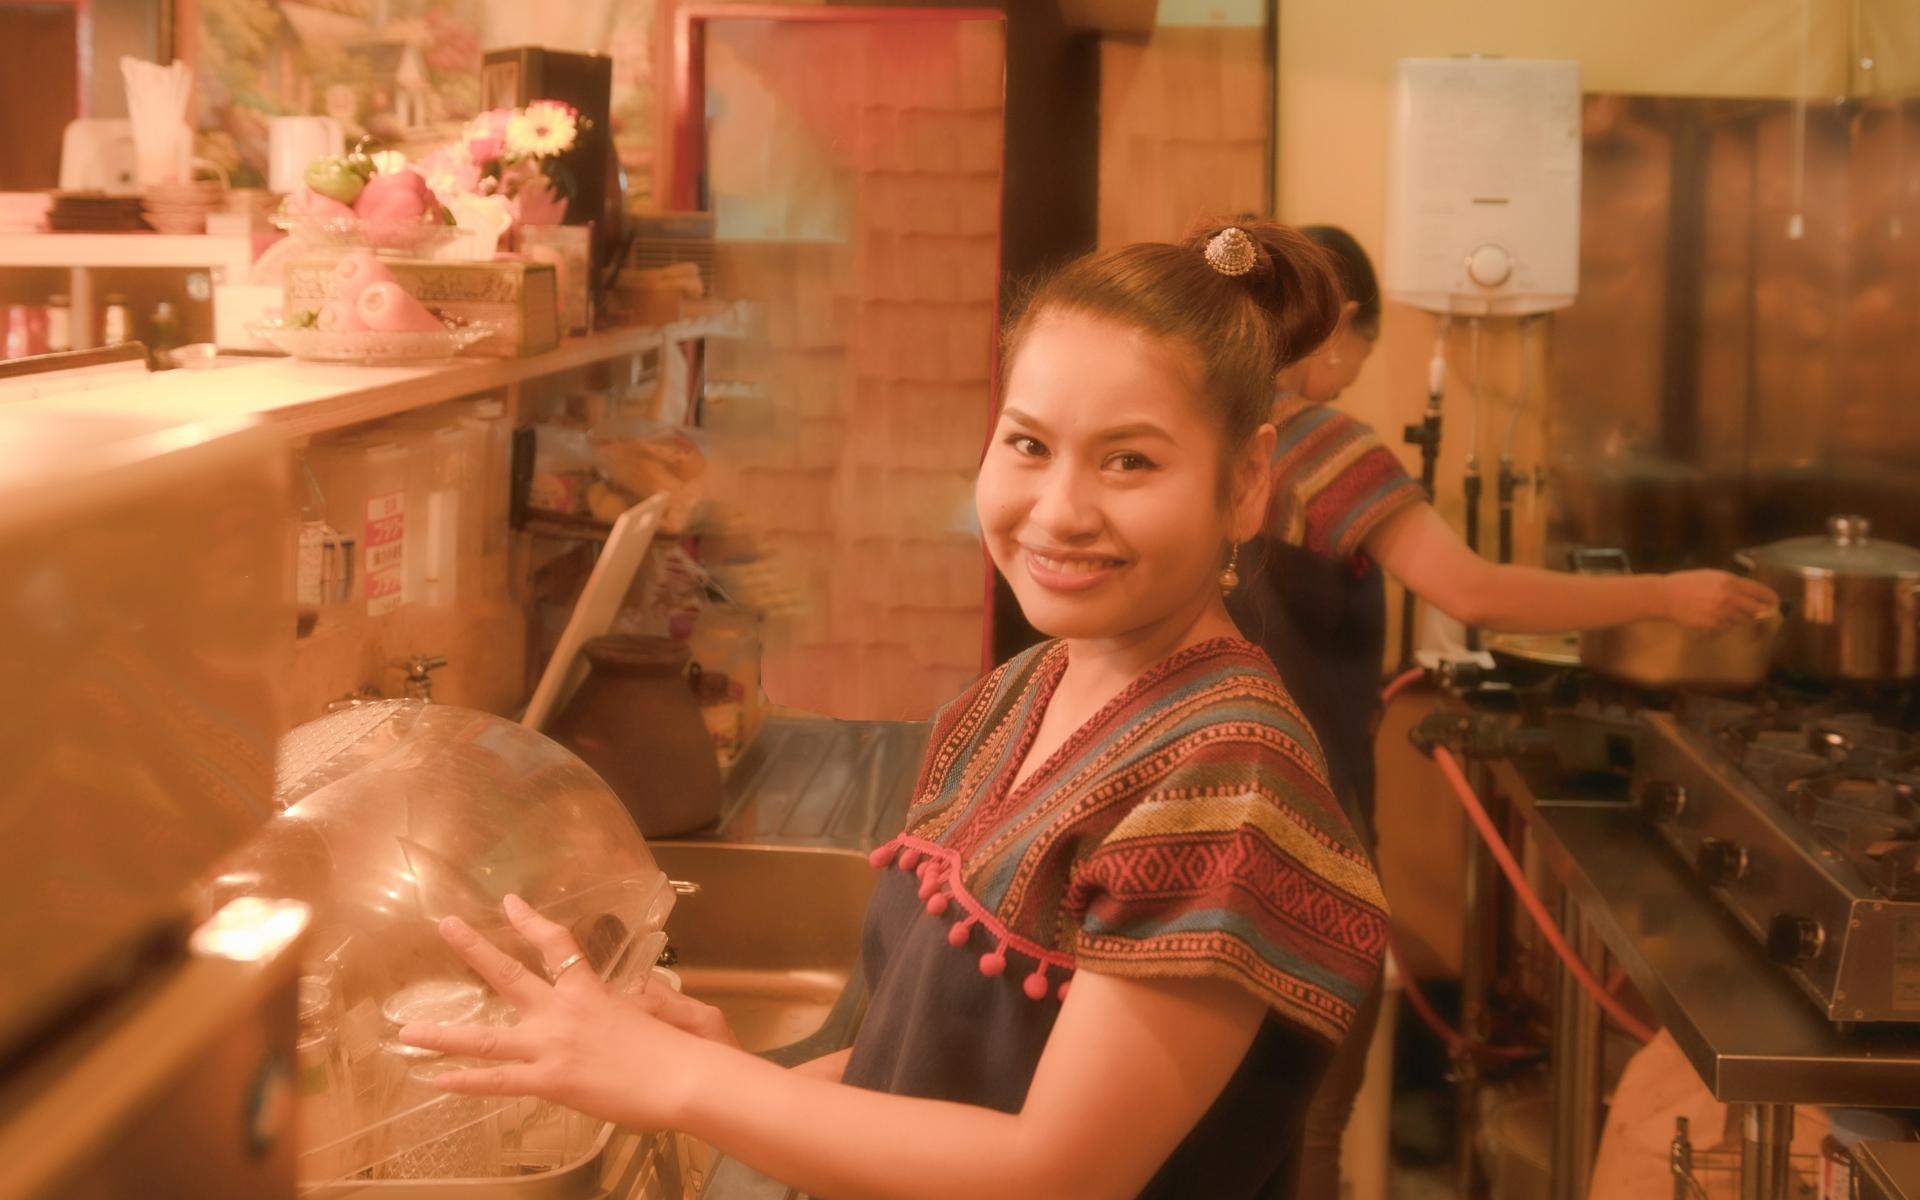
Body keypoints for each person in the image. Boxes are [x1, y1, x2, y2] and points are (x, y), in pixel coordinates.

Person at [399, 221, 1390, 1199]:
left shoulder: (1223, 778)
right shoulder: (1018, 696)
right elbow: (929, 1084)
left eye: (1129, 461)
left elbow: (1060, 1171)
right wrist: (740, 1079)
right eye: (1029, 444)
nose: (1058, 509)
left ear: (1248, 480)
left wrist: (690, 1083)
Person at [1224, 224, 1777, 1199]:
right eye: (1360, 352)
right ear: (1340, 322)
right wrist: (1666, 593)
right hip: (1302, 836)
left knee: (1236, 1130)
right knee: (1308, 1131)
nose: (1352, 374)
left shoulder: (1205, 434)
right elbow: (1471, 592)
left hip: (1210, 825)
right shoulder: (1317, 442)